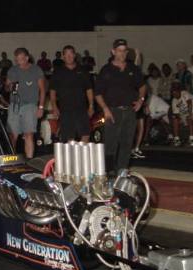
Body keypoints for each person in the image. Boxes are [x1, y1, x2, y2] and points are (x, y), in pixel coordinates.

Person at [94, 39, 146, 174]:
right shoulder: (106, 70)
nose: (122, 53)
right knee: (110, 145)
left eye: (124, 50)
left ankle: (122, 173)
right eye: (119, 50)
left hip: (130, 111)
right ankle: (107, 173)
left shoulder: (132, 68)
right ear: (113, 52)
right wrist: (105, 109)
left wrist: (141, 100)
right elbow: (98, 92)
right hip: (112, 111)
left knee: (127, 144)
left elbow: (142, 86)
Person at [6, 47, 46, 159]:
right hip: (14, 105)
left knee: (29, 134)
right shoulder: (12, 70)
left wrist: (41, 107)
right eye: (17, 60)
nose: (19, 62)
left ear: (27, 58)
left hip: (30, 105)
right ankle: (11, 159)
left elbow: (42, 89)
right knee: (13, 135)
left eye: (21, 59)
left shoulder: (36, 70)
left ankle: (29, 160)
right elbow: (6, 87)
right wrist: (9, 86)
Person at [49, 45, 93, 142]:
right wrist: (54, 106)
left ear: (74, 55)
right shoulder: (58, 72)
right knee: (70, 137)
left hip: (81, 108)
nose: (69, 56)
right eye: (66, 54)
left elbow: (89, 89)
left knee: (86, 134)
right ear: (63, 56)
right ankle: (73, 156)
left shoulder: (83, 70)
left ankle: (81, 155)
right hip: (65, 109)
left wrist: (91, 106)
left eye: (71, 54)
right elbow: (52, 91)